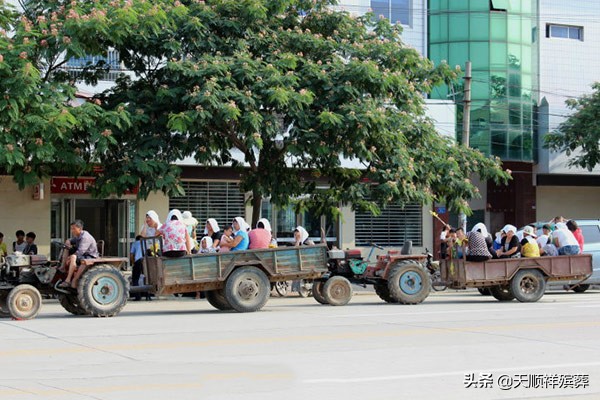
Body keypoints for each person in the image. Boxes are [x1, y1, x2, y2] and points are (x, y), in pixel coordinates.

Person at [59, 220, 99, 288]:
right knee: (66, 248)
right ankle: (62, 267)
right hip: (83, 255)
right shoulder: (78, 236)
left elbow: (80, 252)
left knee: (73, 257)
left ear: (80, 229)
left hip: (89, 256)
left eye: (74, 229)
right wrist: (68, 241)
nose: (72, 231)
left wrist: (69, 258)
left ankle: (68, 280)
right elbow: (71, 240)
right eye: (71, 228)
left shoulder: (85, 237)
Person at [130, 235, 150, 301]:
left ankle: (137, 296)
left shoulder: (135, 243)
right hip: (145, 261)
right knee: (146, 278)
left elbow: (131, 255)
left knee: (135, 278)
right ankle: (148, 296)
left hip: (138, 261)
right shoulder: (146, 243)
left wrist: (133, 263)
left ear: (136, 239)